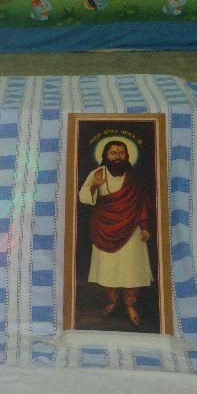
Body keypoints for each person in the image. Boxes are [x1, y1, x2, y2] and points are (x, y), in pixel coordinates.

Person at [79, 140, 153, 326]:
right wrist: (94, 186)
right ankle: (112, 301)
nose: (117, 156)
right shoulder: (96, 174)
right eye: (113, 153)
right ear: (105, 155)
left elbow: (141, 203)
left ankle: (130, 305)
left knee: (132, 268)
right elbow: (83, 198)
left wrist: (144, 226)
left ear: (127, 156)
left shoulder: (134, 176)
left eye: (121, 153)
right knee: (108, 268)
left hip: (132, 229)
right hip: (104, 229)